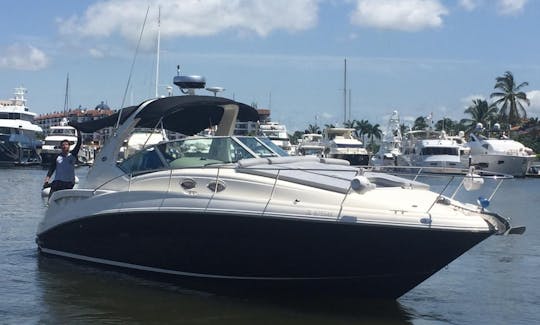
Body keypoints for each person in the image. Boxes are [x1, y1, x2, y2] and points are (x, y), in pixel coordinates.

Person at [43, 128, 82, 198]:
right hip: (58, 181)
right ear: (61, 147)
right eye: (63, 145)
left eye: (66, 144)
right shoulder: (57, 157)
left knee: (65, 198)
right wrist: (47, 179)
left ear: (69, 146)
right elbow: (51, 169)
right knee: (51, 197)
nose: (64, 146)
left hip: (69, 182)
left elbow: (79, 143)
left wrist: (78, 130)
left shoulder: (72, 155)